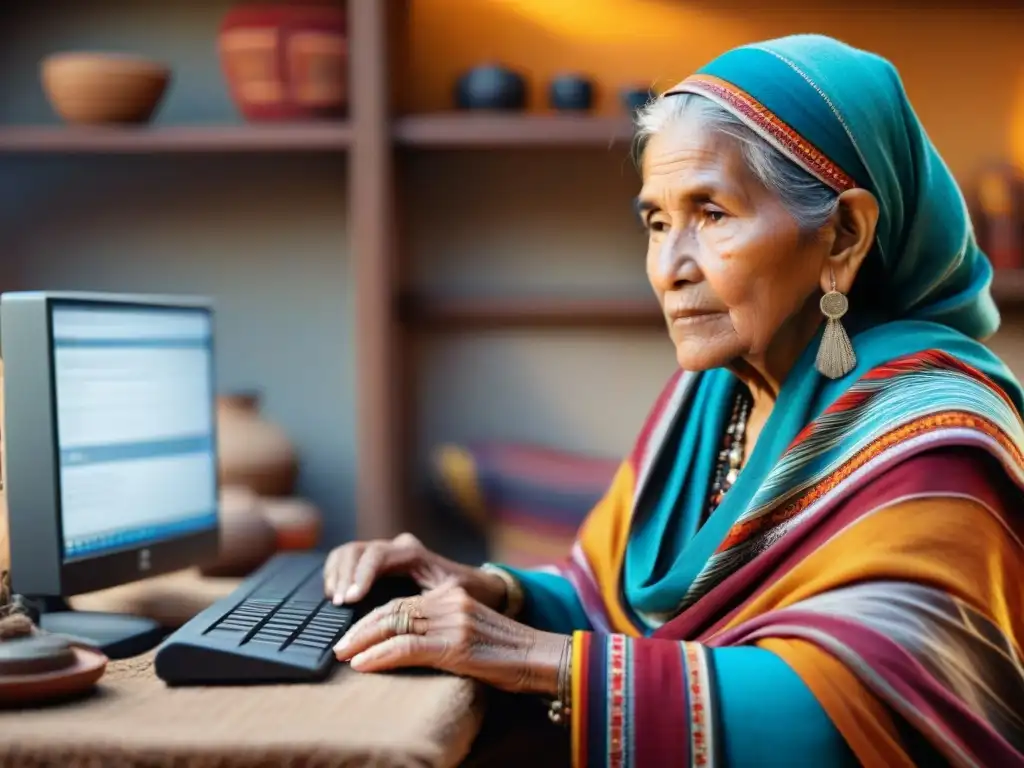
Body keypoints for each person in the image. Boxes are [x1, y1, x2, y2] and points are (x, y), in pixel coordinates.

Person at [328, 33, 1024, 767]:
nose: (668, 268)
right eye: (656, 222)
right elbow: (604, 598)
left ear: (844, 236)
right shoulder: (708, 399)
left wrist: (552, 663)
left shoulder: (937, 435)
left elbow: (858, 713)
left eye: (712, 215)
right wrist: (494, 592)